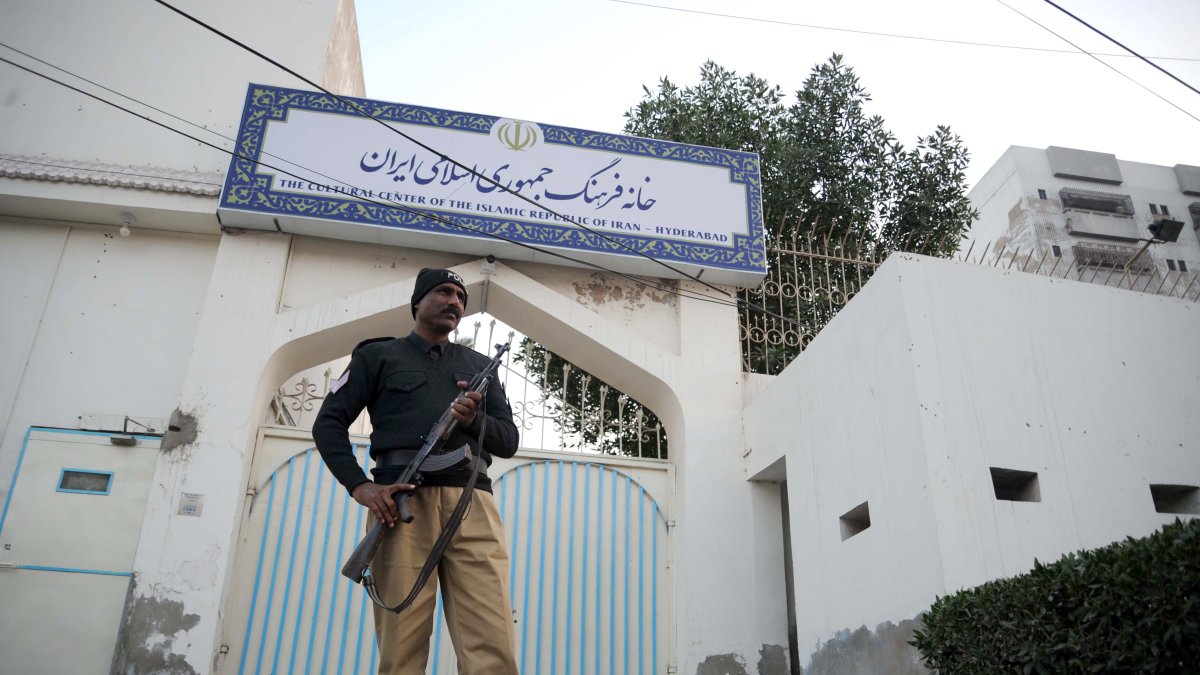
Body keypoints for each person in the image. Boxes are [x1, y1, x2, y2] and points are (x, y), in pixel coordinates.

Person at [313, 267, 520, 675]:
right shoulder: (377, 355)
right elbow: (328, 424)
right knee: (401, 640)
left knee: (491, 637)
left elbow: (508, 440)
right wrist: (360, 486)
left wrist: (472, 420)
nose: (454, 302)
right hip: (400, 503)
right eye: (443, 292)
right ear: (417, 302)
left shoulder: (481, 366)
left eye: (460, 297)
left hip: (472, 504)